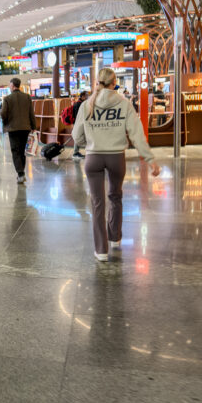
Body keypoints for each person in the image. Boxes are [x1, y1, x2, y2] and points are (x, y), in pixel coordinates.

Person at [72, 67, 160, 262]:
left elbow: (76, 136)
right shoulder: (124, 104)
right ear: (114, 84)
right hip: (116, 157)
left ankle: (101, 251)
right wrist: (150, 159)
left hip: (93, 157)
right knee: (115, 196)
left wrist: (92, 144)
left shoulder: (87, 105)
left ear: (98, 82)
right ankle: (115, 238)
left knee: (97, 203)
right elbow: (137, 135)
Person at [0, 77, 36, 184]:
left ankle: (20, 174)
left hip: (13, 128)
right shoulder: (27, 97)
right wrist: (33, 127)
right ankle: (21, 172)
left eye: (9, 85)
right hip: (25, 128)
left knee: (15, 151)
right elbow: (31, 113)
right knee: (22, 151)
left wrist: (3, 117)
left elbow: (3, 114)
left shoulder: (7, 99)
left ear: (12, 85)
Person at [71, 92, 88, 160]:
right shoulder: (80, 104)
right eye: (86, 96)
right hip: (78, 123)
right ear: (83, 96)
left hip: (76, 123)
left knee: (79, 136)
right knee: (78, 137)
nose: (87, 98)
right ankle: (75, 152)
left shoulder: (78, 103)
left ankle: (76, 152)